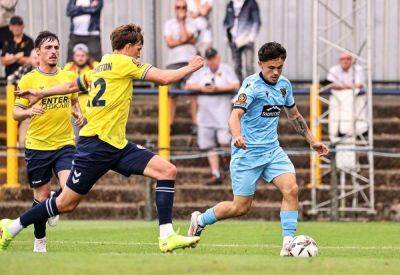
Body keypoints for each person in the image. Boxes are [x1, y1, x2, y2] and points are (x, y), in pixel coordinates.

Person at [1, 24, 205, 253]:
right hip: (96, 145)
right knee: (65, 204)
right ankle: (13, 226)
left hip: (117, 144)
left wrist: (41, 93)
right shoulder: (125, 63)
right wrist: (191, 67)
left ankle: (166, 236)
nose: (140, 53)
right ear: (127, 47)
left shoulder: (101, 65)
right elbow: (164, 79)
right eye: (138, 48)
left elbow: (71, 85)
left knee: (167, 170)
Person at [187, 42, 329, 256]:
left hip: (272, 150)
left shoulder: (284, 85)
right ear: (260, 64)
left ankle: (288, 244)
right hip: (248, 153)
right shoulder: (251, 86)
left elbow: (294, 116)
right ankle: (200, 220)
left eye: (279, 67)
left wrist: (312, 140)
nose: (276, 72)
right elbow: (235, 115)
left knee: (291, 189)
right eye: (271, 68)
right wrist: (236, 136)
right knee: (240, 207)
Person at [12, 31, 84, 253]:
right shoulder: (29, 80)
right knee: (41, 198)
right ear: (38, 52)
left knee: (70, 187)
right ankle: (40, 241)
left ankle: (53, 206)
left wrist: (78, 113)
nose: (53, 52)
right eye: (48, 48)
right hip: (38, 147)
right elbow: (15, 113)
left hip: (64, 145)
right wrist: (29, 111)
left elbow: (73, 101)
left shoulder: (67, 76)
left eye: (56, 47)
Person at [185, 48, 240, 185]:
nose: (211, 61)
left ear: (218, 57)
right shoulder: (202, 71)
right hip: (205, 115)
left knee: (224, 142)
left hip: (222, 115)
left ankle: (230, 167)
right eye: (209, 59)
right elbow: (188, 85)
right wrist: (202, 88)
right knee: (209, 146)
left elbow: (236, 84)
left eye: (213, 58)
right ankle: (216, 173)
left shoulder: (226, 69)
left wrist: (218, 89)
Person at [327, 51, 368, 170]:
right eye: (343, 59)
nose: (345, 61)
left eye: (348, 59)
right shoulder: (334, 69)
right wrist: (349, 86)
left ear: (352, 60)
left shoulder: (358, 69)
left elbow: (359, 85)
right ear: (339, 61)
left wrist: (342, 86)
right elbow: (329, 84)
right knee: (337, 133)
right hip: (338, 108)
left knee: (352, 131)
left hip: (355, 107)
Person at [164, 0, 198, 133]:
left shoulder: (192, 23)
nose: (181, 9)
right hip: (173, 62)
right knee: (172, 94)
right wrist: (185, 40)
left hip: (190, 61)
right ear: (175, 8)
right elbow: (170, 43)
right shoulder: (169, 24)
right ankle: (169, 124)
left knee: (192, 93)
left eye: (183, 7)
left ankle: (195, 123)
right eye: (178, 7)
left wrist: (182, 22)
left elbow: (183, 37)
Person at [64, 43, 98, 138]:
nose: (80, 58)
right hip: (74, 112)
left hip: (91, 112)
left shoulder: (94, 66)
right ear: (73, 56)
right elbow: (66, 86)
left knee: (91, 140)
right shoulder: (68, 67)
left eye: (83, 55)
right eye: (77, 55)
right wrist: (84, 88)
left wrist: (75, 88)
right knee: (75, 139)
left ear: (87, 56)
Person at [7, 49, 40, 148]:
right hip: (27, 110)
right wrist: (20, 90)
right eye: (35, 58)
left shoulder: (49, 70)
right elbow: (10, 79)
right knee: (23, 141)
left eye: (39, 57)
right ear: (29, 59)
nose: (37, 60)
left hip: (46, 111)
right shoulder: (25, 70)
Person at [223, 0, 261, 82]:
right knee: (237, 66)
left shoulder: (251, 3)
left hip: (247, 40)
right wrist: (227, 35)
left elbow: (256, 21)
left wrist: (251, 37)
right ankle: (239, 89)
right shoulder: (230, 4)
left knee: (249, 66)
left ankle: (251, 89)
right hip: (234, 40)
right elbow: (226, 22)